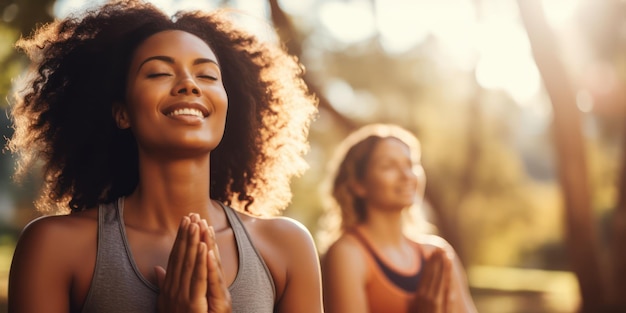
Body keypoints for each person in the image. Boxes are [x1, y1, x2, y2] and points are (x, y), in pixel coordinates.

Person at [6, 0, 322, 312]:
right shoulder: (54, 247)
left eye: (208, 76)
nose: (188, 85)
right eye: (159, 73)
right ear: (122, 113)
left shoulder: (286, 246)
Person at [319, 124, 477, 313]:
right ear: (358, 184)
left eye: (410, 165)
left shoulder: (438, 253)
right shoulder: (348, 253)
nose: (407, 175)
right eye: (388, 166)